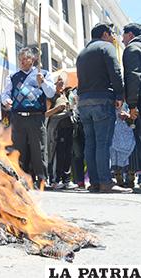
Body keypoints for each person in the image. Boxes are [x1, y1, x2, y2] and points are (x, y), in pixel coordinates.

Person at [76, 23, 132, 193]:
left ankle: (94, 183)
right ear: (105, 34)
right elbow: (115, 71)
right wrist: (120, 95)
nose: (114, 37)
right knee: (102, 143)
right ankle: (106, 182)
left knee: (90, 143)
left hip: (84, 102)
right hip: (102, 100)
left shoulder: (82, 53)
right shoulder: (106, 47)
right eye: (112, 33)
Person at [1, 47, 55, 188]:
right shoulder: (13, 77)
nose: (23, 62)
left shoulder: (43, 74)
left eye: (26, 59)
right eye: (21, 59)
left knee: (39, 149)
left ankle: (42, 179)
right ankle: (21, 179)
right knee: (19, 150)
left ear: (33, 59)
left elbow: (50, 93)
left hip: (36, 117)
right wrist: (6, 100)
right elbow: (5, 93)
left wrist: (42, 82)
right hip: (18, 117)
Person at [46, 75, 75, 189]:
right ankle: (55, 180)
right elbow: (45, 113)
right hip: (57, 130)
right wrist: (57, 109)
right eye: (58, 82)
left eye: (62, 82)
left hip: (69, 128)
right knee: (58, 154)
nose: (61, 84)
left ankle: (67, 180)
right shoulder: (51, 97)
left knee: (68, 154)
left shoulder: (66, 95)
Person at [122, 23, 141, 188]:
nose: (122, 40)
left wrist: (133, 105)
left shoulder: (132, 48)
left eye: (123, 36)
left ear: (129, 35)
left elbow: (133, 76)